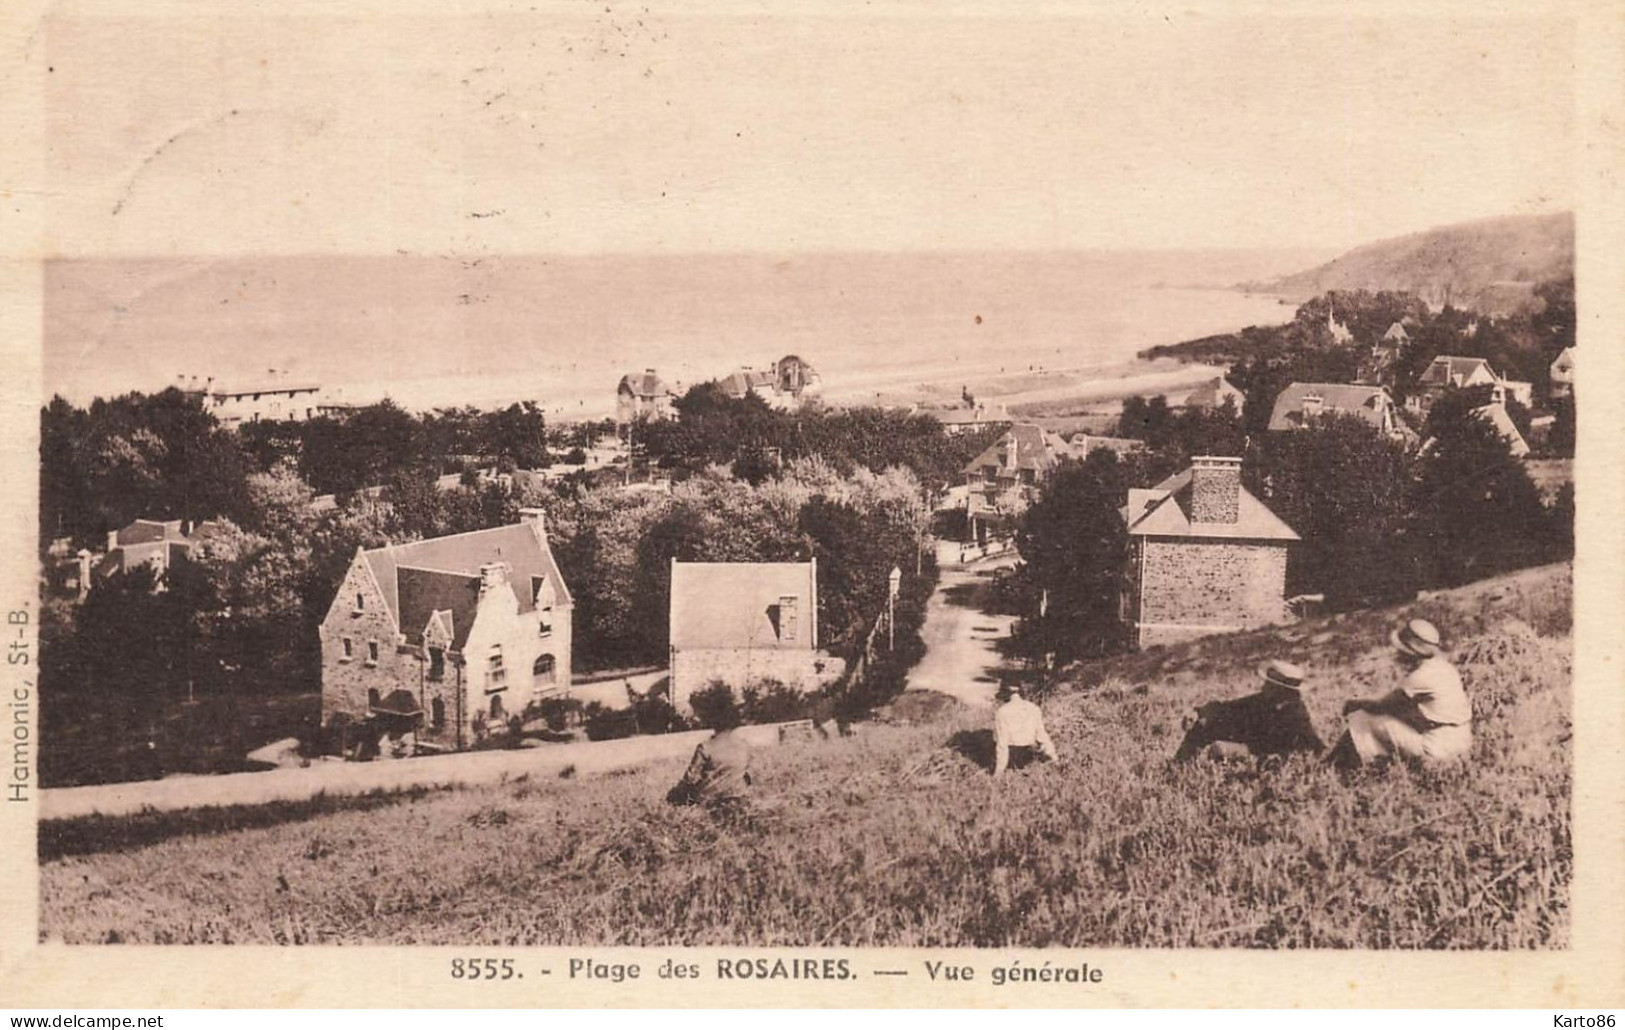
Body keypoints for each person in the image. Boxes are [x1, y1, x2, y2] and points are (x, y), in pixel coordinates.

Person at [1327, 618, 1472, 768]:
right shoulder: (1444, 667)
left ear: (1412, 652)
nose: (1398, 654)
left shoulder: (1420, 677)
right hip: (1462, 740)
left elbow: (1382, 706)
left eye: (1401, 650)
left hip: (1439, 747)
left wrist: (1354, 704)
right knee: (1390, 719)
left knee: (1362, 717)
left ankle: (1354, 765)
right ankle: (1347, 761)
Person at [1175, 659, 1323, 762]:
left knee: (1219, 749)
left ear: (1282, 690)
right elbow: (1227, 707)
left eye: (1270, 685)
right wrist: (1199, 712)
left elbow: (1312, 747)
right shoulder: (1263, 700)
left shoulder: (1297, 715)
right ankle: (1178, 768)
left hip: (1264, 756)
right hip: (1250, 746)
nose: (1264, 687)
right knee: (1202, 725)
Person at [666, 727, 754, 814]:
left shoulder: (705, 747)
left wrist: (674, 793)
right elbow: (748, 776)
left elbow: (690, 779)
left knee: (674, 796)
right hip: (737, 797)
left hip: (709, 800)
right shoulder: (744, 745)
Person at [993, 682, 1058, 777]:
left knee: (997, 736)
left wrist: (998, 772)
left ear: (1004, 694)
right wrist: (1055, 759)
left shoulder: (1002, 712)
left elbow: (1002, 744)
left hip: (1013, 747)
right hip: (1030, 747)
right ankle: (1053, 762)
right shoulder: (1034, 708)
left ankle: (1007, 765)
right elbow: (1042, 736)